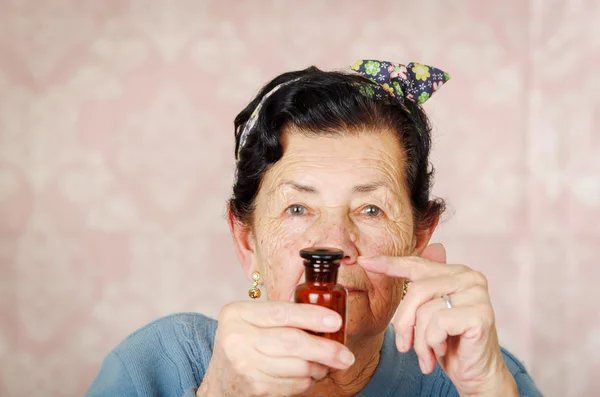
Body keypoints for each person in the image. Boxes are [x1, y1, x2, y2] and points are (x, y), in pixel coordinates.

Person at [85, 60, 543, 397]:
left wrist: (488, 389)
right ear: (247, 242)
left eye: (370, 210)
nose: (332, 244)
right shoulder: (158, 366)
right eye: (298, 209)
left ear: (418, 242)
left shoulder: (477, 374)